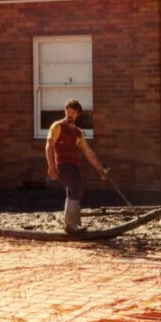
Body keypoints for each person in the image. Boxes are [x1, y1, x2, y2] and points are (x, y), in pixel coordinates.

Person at [45, 99, 108, 233]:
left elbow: (88, 152)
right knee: (76, 187)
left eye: (73, 112)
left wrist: (100, 169)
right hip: (63, 165)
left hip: (74, 166)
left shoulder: (78, 133)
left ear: (77, 114)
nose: (70, 114)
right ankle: (70, 225)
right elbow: (49, 146)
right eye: (68, 111)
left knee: (75, 190)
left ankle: (76, 223)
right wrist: (51, 167)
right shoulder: (57, 126)